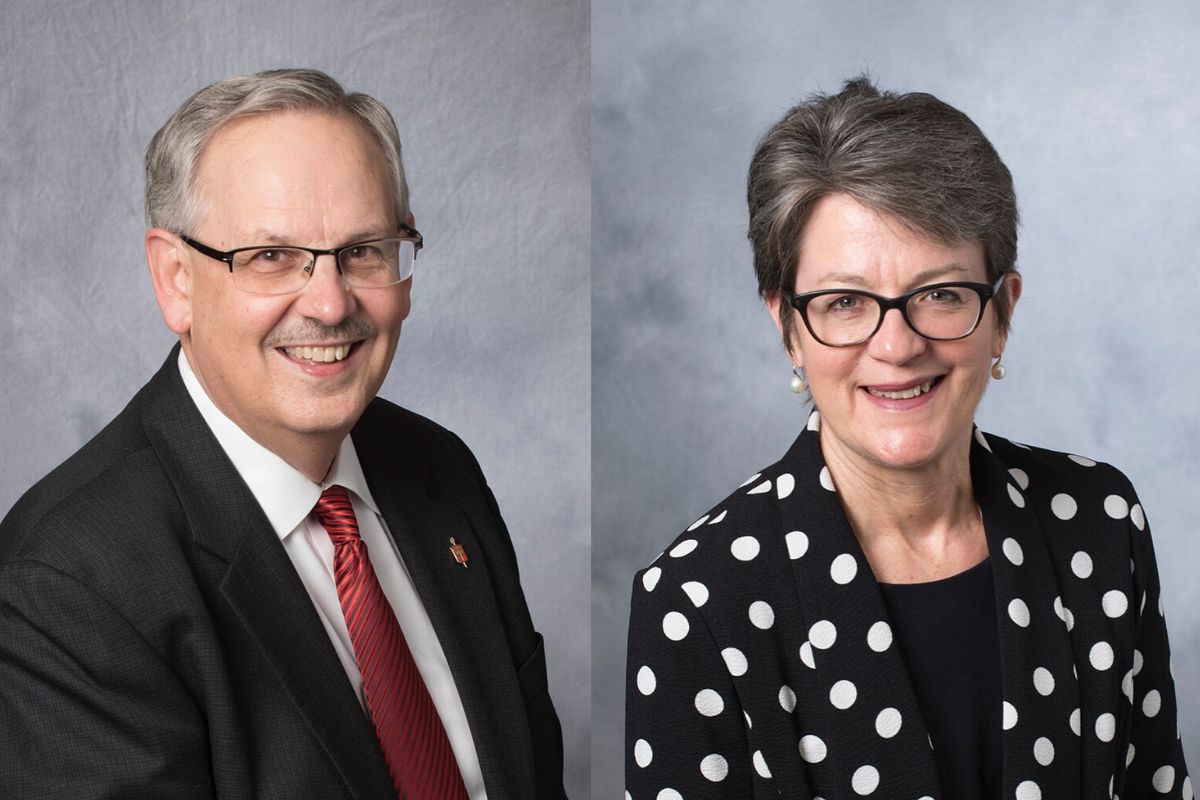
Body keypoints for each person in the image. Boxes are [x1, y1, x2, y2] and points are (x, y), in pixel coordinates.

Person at [0, 68, 564, 800]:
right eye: (270, 257)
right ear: (176, 279)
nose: (330, 305)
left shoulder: (441, 471)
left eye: (364, 250)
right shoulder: (69, 587)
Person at [625, 77, 1190, 799]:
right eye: (846, 303)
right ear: (788, 325)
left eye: (941, 294)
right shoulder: (696, 599)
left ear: (1002, 312)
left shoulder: (1100, 523)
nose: (896, 345)